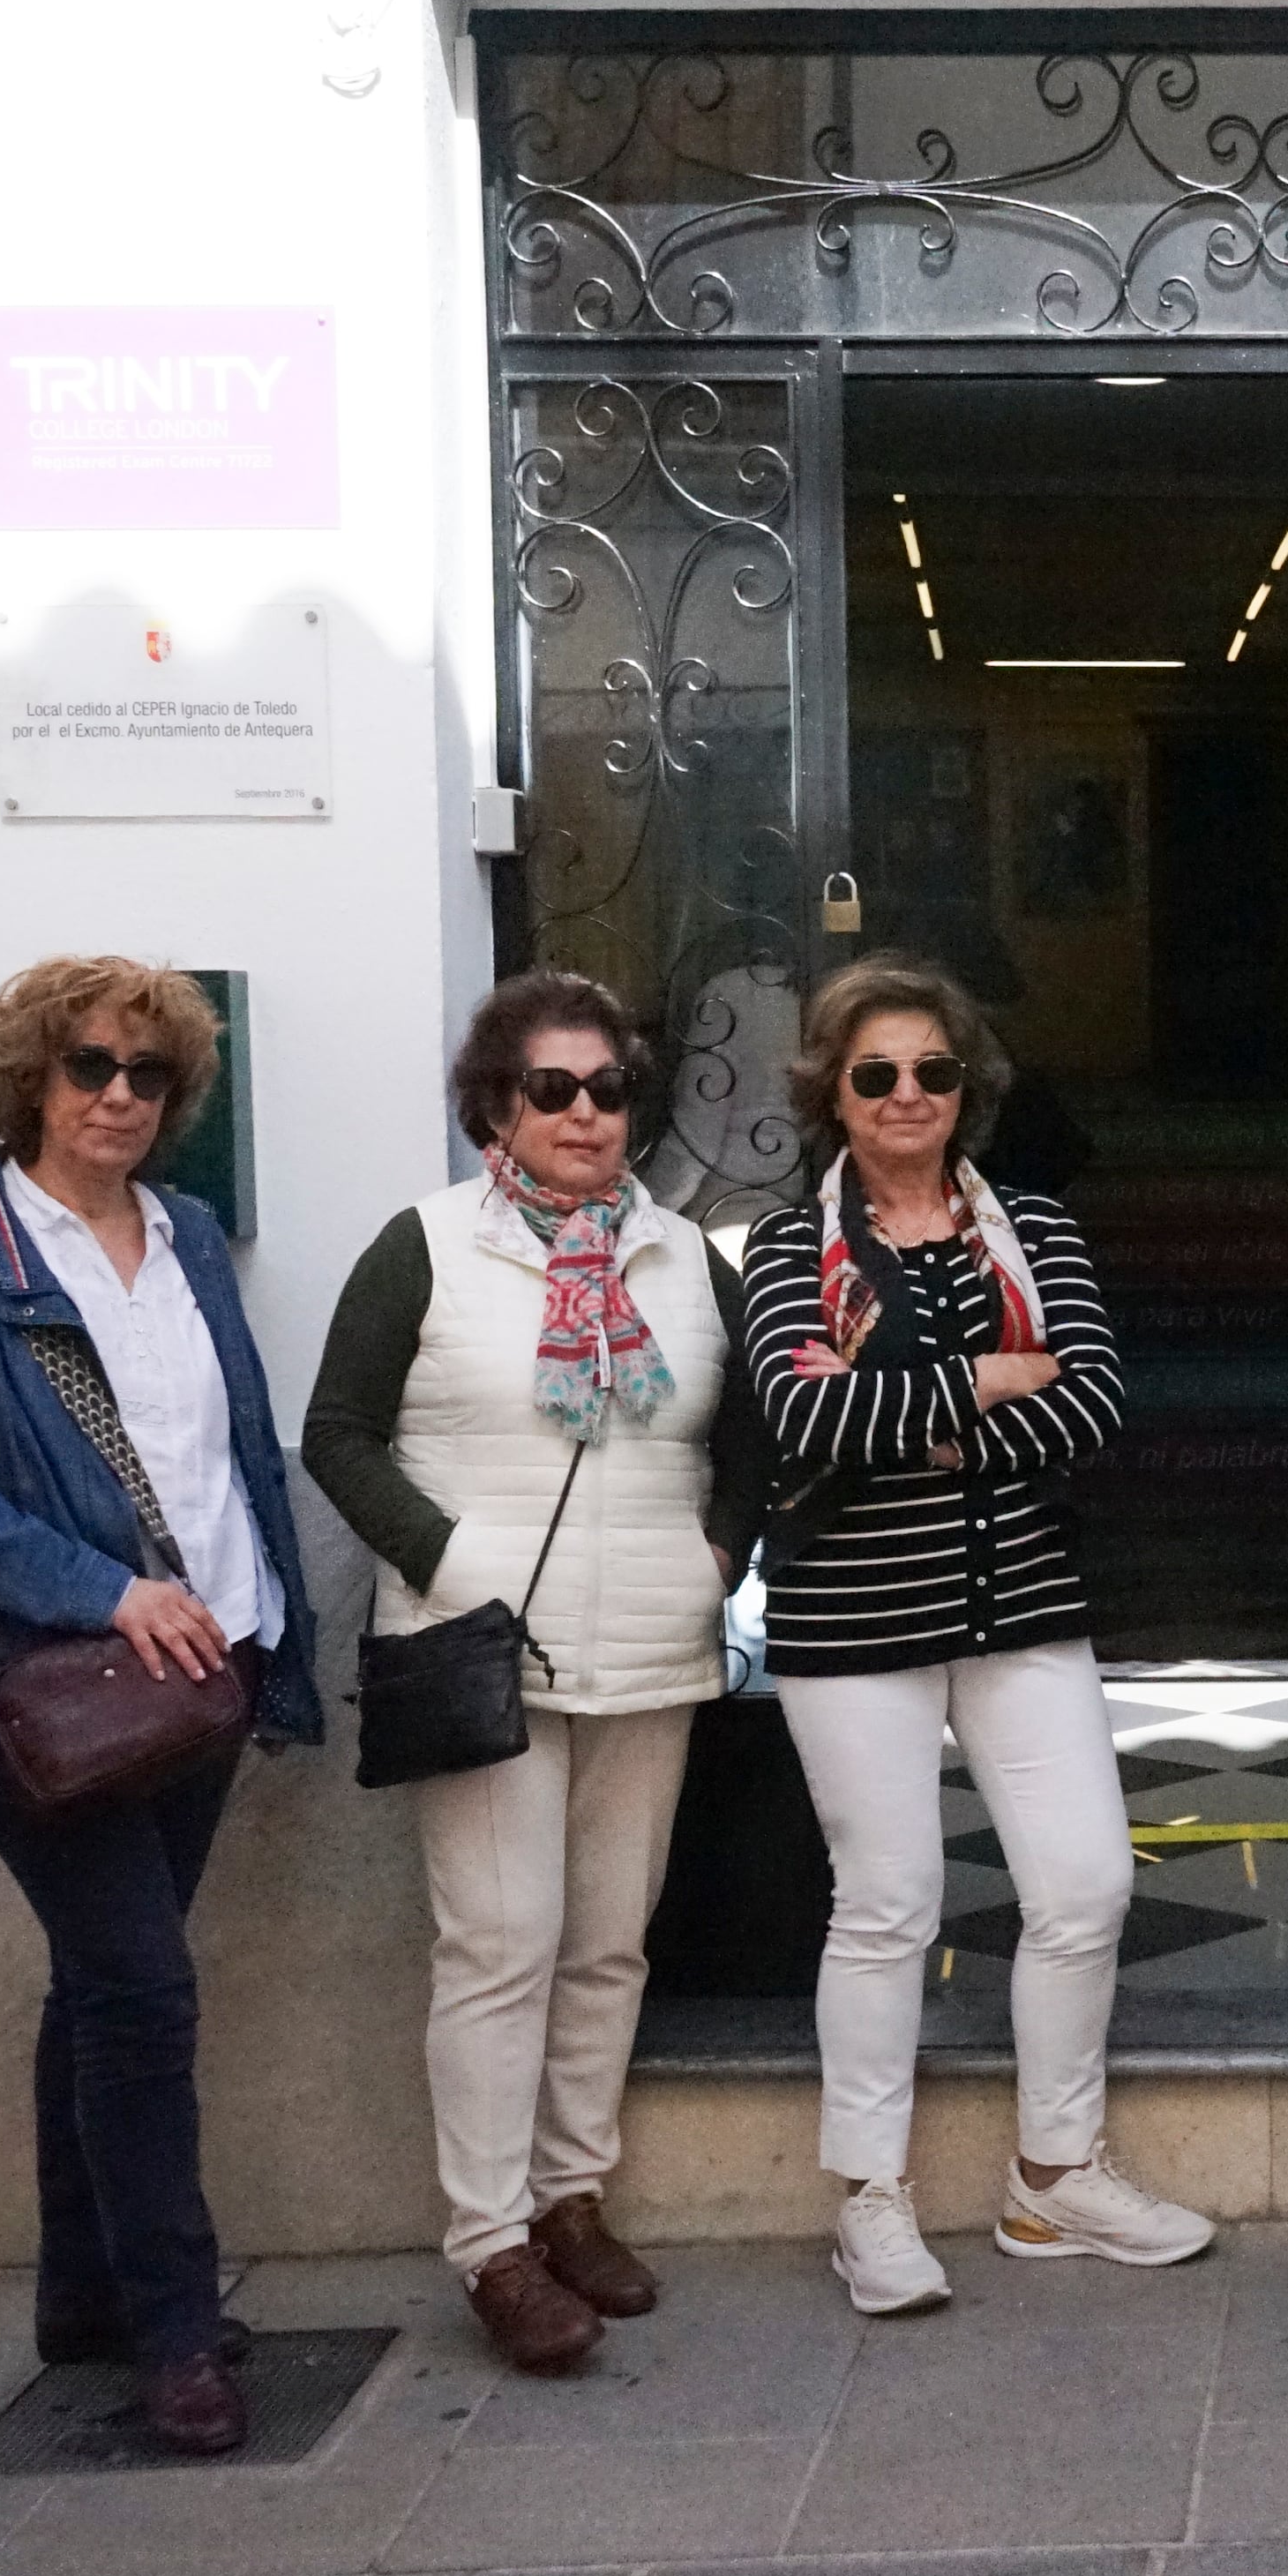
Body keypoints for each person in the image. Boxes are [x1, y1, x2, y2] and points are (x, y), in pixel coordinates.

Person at [0, 958, 320, 2455]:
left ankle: (81, 2291)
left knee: (111, 1982)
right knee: (140, 1992)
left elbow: (223, 1447)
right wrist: (103, 1590)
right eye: (89, 1068)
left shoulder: (181, 1232)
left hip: (206, 1675)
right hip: (47, 1692)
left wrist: (265, 1637)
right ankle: (174, 2330)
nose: (120, 1094)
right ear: (29, 1084)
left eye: (148, 1074)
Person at [303, 974, 768, 2377]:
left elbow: (744, 1433)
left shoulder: (692, 1257)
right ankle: (490, 2242)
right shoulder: (427, 1248)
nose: (584, 1114)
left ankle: (572, 2197)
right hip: (482, 1650)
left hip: (650, 1649)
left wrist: (717, 1554)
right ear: (496, 1106)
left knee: (609, 1939)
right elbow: (337, 1433)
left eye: (609, 1088)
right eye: (551, 1089)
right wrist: (448, 1558)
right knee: (500, 1948)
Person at [741, 960, 1216, 2312]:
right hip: (853, 1616)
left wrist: (903, 1403)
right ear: (833, 1090)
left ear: (968, 1089)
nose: (906, 1095)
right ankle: (871, 2198)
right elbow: (801, 1417)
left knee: (1086, 1885)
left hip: (1024, 1605)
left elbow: (1097, 1405)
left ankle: (1054, 2177)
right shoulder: (790, 1249)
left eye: (933, 1072)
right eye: (875, 1072)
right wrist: (994, 1377)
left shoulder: (1040, 1233)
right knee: (887, 1903)